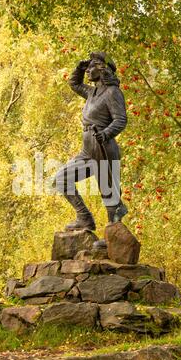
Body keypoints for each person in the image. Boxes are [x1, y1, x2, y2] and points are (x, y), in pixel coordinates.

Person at [52, 51, 128, 247]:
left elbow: (120, 119)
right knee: (61, 178)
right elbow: (74, 84)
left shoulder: (112, 93)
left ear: (103, 70)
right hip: (88, 148)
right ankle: (84, 217)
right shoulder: (92, 92)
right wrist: (79, 66)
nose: (88, 70)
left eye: (92, 66)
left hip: (103, 145)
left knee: (108, 191)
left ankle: (113, 236)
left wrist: (106, 134)